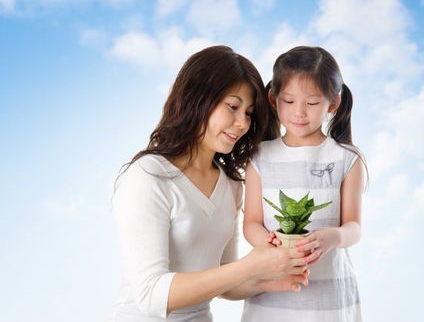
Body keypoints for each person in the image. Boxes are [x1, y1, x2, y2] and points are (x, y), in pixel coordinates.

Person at [109, 46, 320, 322]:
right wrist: (250, 266)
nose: (242, 123)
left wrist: (267, 280)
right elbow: (151, 294)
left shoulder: (231, 185)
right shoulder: (148, 176)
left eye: (249, 113)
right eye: (233, 107)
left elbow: (224, 275)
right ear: (196, 99)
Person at [242, 46, 366, 321]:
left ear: (332, 103)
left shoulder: (346, 158)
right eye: (288, 101)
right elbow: (251, 223)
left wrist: (333, 237)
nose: (298, 112)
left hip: (330, 300)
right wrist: (270, 243)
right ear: (273, 99)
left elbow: (354, 227)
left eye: (311, 103)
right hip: (271, 294)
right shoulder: (260, 156)